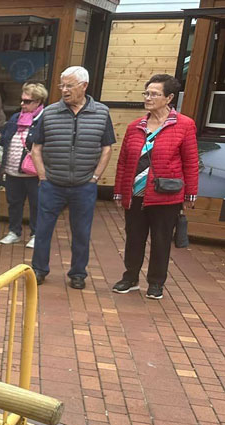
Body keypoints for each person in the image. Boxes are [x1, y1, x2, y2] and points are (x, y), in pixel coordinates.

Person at [112, 74, 198, 300]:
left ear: (169, 97)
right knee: (134, 239)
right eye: (146, 93)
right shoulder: (134, 126)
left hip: (166, 195)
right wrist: (120, 190)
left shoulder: (185, 125)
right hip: (137, 194)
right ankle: (130, 278)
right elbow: (123, 161)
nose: (148, 98)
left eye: (154, 94)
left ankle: (156, 283)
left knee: (161, 241)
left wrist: (190, 193)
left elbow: (190, 160)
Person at [30, 66, 115, 289]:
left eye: (70, 86)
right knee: (43, 230)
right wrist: (43, 176)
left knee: (81, 233)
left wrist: (95, 177)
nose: (64, 90)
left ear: (84, 86)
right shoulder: (49, 113)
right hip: (52, 184)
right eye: (62, 86)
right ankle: (38, 270)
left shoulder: (102, 113)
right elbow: (36, 147)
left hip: (84, 185)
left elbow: (107, 148)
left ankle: (78, 273)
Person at [0, 82, 48, 248]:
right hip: (13, 170)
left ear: (38, 102)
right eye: (22, 100)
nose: (22, 104)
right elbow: (6, 137)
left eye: (27, 101)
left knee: (36, 204)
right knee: (14, 202)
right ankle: (14, 232)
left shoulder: (44, 120)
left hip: (33, 172)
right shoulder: (15, 118)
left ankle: (36, 234)